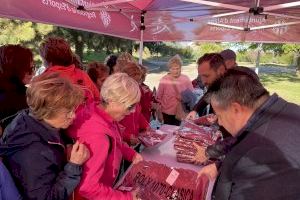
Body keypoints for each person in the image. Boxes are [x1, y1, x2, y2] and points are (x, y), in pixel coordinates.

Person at [198, 68, 300, 199]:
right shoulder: (289, 110)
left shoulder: (260, 157)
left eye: (219, 115)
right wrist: (221, 166)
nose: (220, 123)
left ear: (236, 109)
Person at [0, 73, 90, 200]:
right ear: (47, 112)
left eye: (73, 110)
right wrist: (74, 166)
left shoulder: (26, 118)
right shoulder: (34, 151)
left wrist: (67, 143)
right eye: (68, 112)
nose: (73, 116)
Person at [67, 73, 143, 200]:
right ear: (112, 102)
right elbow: (88, 188)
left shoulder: (96, 110)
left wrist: (130, 153)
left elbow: (115, 139)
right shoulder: (98, 137)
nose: (132, 111)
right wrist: (126, 198)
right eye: (130, 106)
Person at [39, 37, 100, 101]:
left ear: (47, 59)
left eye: (42, 58)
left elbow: (36, 106)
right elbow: (97, 99)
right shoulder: (82, 75)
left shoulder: (43, 81)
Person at [0, 44, 34, 132]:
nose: (33, 73)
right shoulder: (26, 98)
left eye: (33, 68)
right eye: (29, 69)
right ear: (16, 69)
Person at [156, 55, 194, 125]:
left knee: (176, 129)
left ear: (181, 68)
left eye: (177, 68)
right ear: (169, 69)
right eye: (173, 69)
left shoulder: (185, 79)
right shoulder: (164, 79)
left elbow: (191, 94)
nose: (175, 71)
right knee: (167, 129)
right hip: (166, 111)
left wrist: (183, 97)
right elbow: (159, 96)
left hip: (179, 110)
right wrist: (159, 110)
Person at [186, 53, 226, 120]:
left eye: (206, 76)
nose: (203, 82)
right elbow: (207, 97)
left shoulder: (235, 85)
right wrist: (194, 110)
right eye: (201, 76)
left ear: (220, 71)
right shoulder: (215, 83)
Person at [119, 62, 149, 146]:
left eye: (138, 81)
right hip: (122, 141)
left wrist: (146, 126)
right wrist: (127, 136)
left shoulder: (134, 93)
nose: (136, 85)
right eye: (134, 81)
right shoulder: (119, 96)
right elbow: (114, 124)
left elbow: (138, 113)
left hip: (135, 138)